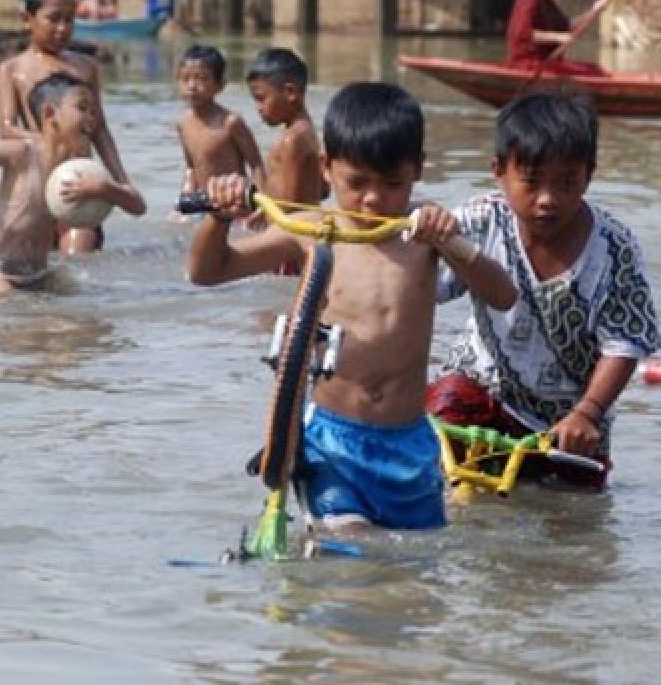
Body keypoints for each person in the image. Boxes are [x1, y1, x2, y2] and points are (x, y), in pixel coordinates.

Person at [188, 82, 518, 530]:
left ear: (418, 170)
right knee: (353, 552)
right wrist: (218, 216)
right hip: (336, 443)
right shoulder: (311, 228)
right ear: (327, 167)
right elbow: (209, 271)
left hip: (409, 443)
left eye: (392, 184)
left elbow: (503, 295)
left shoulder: (425, 233)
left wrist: (452, 242)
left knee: (417, 580)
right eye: (356, 183)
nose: (373, 199)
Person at [425, 92, 661, 489]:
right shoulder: (478, 222)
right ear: (499, 172)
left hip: (570, 419)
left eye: (566, 182)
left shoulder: (614, 248)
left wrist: (588, 413)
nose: (548, 200)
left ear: (589, 174)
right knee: (430, 454)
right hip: (483, 389)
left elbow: (624, 344)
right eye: (532, 183)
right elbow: (421, 290)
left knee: (572, 522)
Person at [0, 73, 145, 294]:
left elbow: (138, 207)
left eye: (93, 111)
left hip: (39, 273)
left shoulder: (78, 167)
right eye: (82, 108)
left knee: (85, 313)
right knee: (15, 304)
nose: (91, 118)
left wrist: (106, 189)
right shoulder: (21, 153)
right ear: (49, 113)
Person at [0, 0, 143, 254]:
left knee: (79, 265)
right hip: (35, 188)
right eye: (54, 18)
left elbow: (99, 129)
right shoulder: (12, 70)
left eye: (70, 19)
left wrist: (121, 180)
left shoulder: (86, 67)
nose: (63, 28)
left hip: (79, 186)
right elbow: (6, 128)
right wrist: (47, 142)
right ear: (27, 19)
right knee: (32, 274)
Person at [245, 48, 325, 267]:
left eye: (262, 99)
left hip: (290, 241)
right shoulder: (306, 132)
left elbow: (289, 206)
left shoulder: (293, 140)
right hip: (301, 237)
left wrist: (266, 214)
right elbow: (322, 189)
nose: (258, 108)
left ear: (290, 93)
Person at [174, 44, 264, 196]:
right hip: (204, 201)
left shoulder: (231, 122)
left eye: (201, 79)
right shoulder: (183, 124)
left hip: (233, 199)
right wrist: (185, 200)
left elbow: (256, 166)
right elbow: (191, 167)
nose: (192, 86)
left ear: (220, 86)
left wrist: (259, 202)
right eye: (185, 79)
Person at [504, 0, 613, 76]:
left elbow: (568, 27)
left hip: (547, 64)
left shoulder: (547, 3)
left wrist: (595, 10)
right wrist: (558, 37)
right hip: (528, 65)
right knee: (593, 73)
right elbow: (523, 33)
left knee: (595, 69)